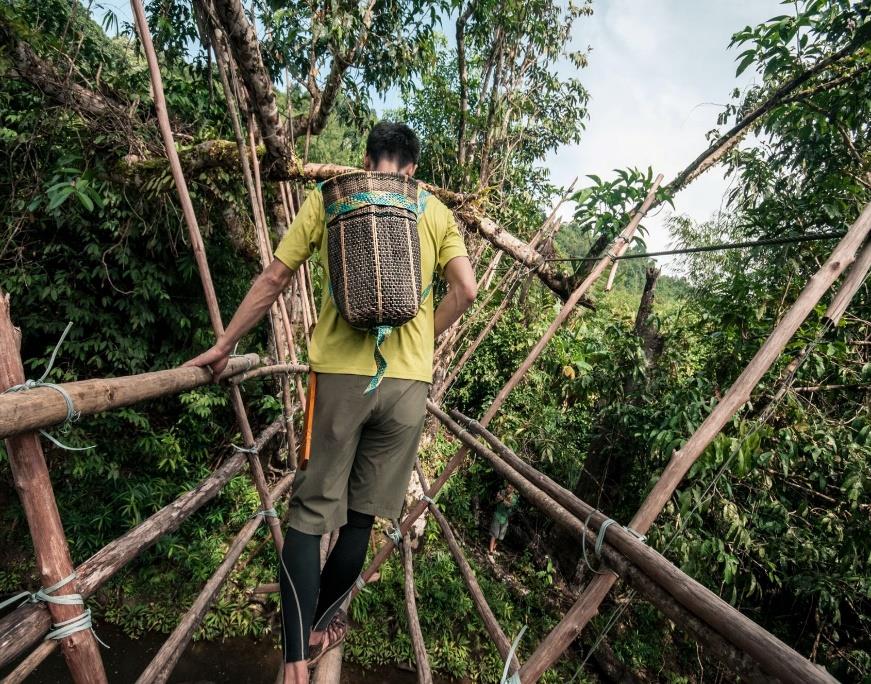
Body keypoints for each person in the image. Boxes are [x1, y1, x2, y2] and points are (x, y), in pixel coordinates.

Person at [185, 121, 477, 684]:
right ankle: (321, 627)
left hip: (340, 379)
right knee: (361, 516)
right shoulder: (435, 212)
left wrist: (226, 343)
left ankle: (295, 657)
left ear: (367, 161)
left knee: (310, 515)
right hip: (407, 389)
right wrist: (423, 344)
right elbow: (466, 290)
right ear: (411, 168)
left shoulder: (332, 199)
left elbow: (275, 276)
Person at [488, 484, 519, 554]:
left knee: (500, 537)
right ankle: (490, 552)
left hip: (505, 518)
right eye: (507, 487)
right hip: (497, 515)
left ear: (513, 489)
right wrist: (497, 498)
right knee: (494, 534)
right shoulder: (502, 492)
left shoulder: (514, 497)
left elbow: (509, 505)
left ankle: (494, 548)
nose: (508, 489)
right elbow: (495, 501)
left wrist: (502, 500)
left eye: (510, 488)